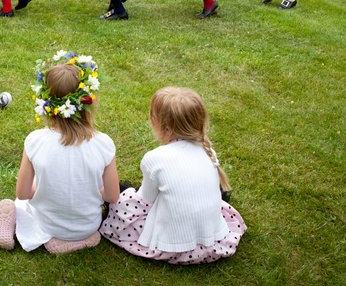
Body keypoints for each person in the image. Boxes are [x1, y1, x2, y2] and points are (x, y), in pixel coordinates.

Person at [0, 51, 119, 254]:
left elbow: (23, 193)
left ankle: (11, 223)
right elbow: (112, 196)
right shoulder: (104, 144)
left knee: (15, 204)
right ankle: (82, 239)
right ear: (88, 101)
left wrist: (45, 187)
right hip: (88, 226)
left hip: (47, 224)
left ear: (46, 103)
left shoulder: (35, 141)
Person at [100, 87, 246, 264]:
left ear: (166, 128)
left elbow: (144, 201)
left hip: (172, 245)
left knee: (121, 205)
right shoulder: (208, 151)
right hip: (213, 239)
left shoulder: (155, 158)